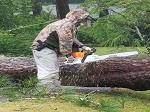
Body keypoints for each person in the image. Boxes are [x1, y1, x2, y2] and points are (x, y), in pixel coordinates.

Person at [31, 9, 93, 91]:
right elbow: (65, 41)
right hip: (43, 49)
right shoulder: (65, 25)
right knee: (48, 72)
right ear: (78, 18)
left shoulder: (69, 25)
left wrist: (83, 46)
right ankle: (44, 91)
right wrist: (68, 55)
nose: (84, 22)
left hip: (48, 49)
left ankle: (54, 89)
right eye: (84, 19)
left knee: (54, 71)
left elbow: (71, 38)